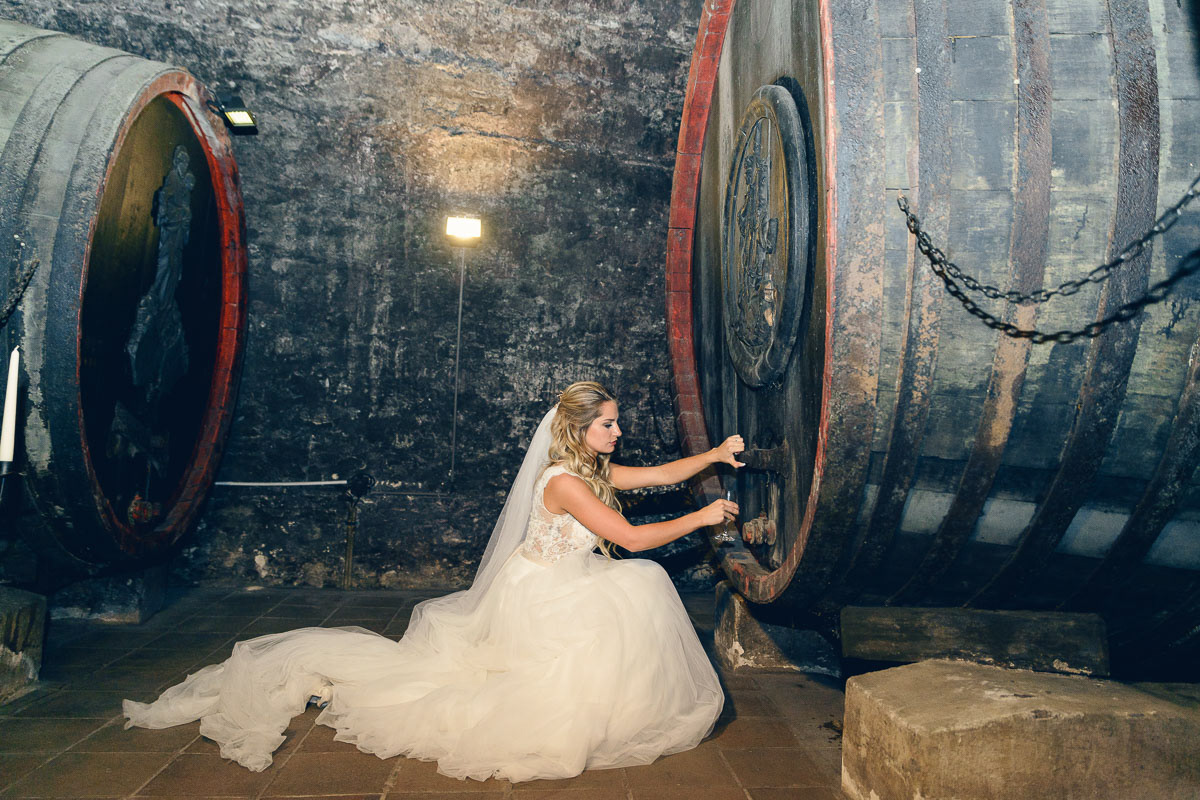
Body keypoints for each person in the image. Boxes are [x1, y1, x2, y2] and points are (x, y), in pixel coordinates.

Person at [123, 381, 743, 782]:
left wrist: (712, 456)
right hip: (543, 593)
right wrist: (703, 517)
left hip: (563, 579)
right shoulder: (565, 481)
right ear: (578, 429)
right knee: (638, 581)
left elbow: (656, 474)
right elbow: (632, 539)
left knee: (634, 591)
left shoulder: (589, 468)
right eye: (608, 424)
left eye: (615, 423)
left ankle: (618, 704)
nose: (617, 432)